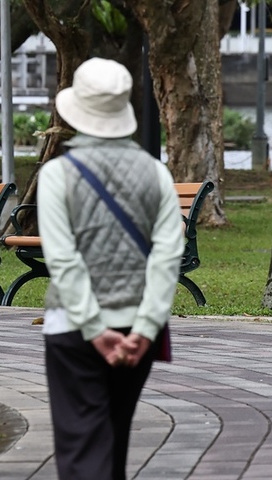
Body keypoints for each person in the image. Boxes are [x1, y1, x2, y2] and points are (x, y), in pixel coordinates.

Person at [36, 58, 184, 480]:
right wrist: (145, 328)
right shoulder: (157, 174)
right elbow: (166, 257)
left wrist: (95, 329)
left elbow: (63, 260)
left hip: (72, 329)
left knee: (83, 449)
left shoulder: (57, 175)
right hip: (138, 331)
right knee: (113, 446)